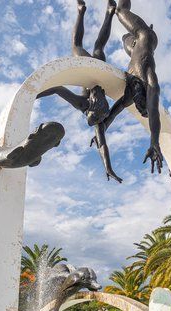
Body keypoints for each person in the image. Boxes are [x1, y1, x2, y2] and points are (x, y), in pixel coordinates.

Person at [37, 0, 123, 183]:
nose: (98, 91)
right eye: (98, 93)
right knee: (76, 45)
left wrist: (108, 167)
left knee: (99, 48)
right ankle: (81, 11)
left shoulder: (99, 114)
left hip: (99, 70)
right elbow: (58, 89)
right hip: (92, 69)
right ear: (91, 105)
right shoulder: (83, 104)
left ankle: (109, 13)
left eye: (97, 92)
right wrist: (35, 94)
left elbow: (102, 144)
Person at [98, 0, 164, 174]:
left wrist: (101, 131)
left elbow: (112, 114)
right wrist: (154, 142)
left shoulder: (130, 95)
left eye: (137, 104)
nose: (135, 100)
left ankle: (129, 38)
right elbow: (154, 112)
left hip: (134, 47)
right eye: (140, 102)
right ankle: (124, 15)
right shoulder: (149, 78)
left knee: (124, 39)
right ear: (144, 95)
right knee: (120, 10)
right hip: (145, 36)